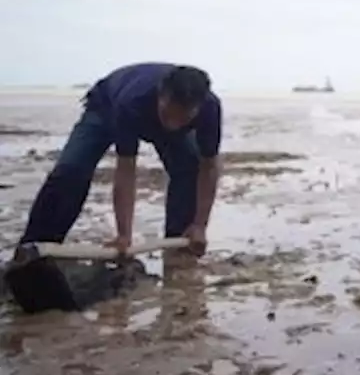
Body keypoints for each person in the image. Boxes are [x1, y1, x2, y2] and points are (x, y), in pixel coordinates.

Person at [17, 63, 222, 258]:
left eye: (183, 118)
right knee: (72, 171)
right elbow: (126, 169)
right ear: (161, 96)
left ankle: (180, 248)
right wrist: (124, 234)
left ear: (198, 107)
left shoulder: (210, 109)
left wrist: (199, 225)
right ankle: (34, 247)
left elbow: (209, 167)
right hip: (105, 107)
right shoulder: (133, 102)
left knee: (190, 170)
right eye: (168, 114)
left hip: (150, 113)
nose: (173, 125)